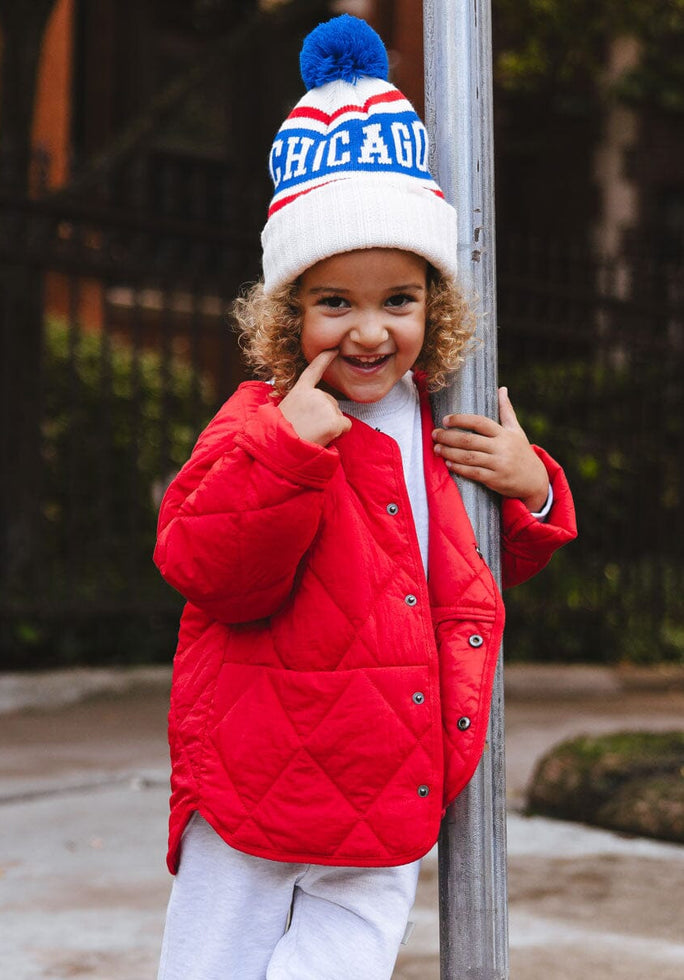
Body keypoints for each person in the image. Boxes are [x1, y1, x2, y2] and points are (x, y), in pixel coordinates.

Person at [153, 14, 577, 980]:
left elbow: (456, 572)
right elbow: (207, 568)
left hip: (388, 784)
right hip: (257, 780)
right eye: (333, 302)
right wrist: (284, 455)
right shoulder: (260, 420)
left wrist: (532, 489)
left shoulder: (436, 427)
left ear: (436, 307)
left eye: (399, 300)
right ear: (286, 313)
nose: (370, 331)